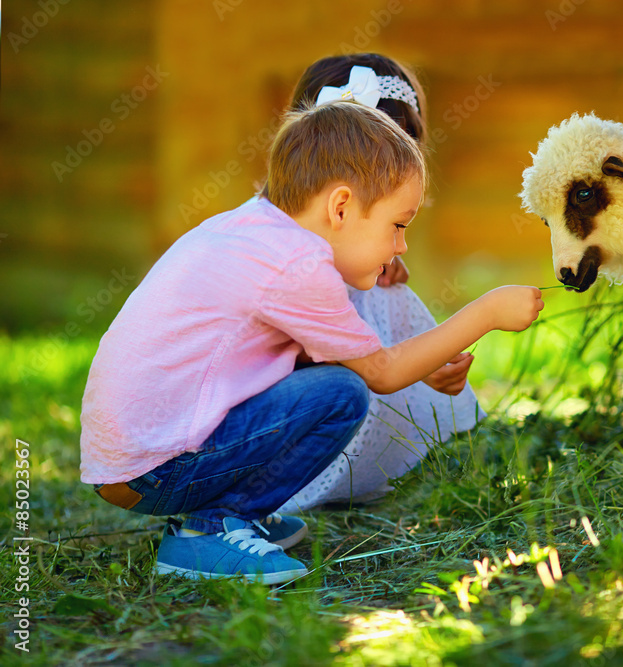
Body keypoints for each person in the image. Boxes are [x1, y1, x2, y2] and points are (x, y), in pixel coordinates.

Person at [80, 100, 544, 584]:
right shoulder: (297, 266)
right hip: (155, 468)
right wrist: (486, 312)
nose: (401, 246)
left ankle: (224, 512)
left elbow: (320, 352)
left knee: (331, 380)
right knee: (342, 395)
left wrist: (424, 365)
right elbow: (380, 373)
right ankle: (209, 530)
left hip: (132, 460)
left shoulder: (257, 230)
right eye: (398, 226)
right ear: (340, 207)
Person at [268, 54, 487, 511]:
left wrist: (372, 263)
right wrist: (466, 329)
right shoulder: (285, 257)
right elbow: (310, 351)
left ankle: (390, 454)